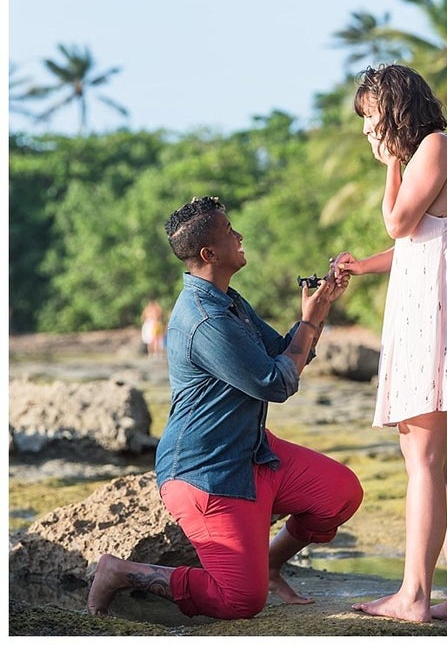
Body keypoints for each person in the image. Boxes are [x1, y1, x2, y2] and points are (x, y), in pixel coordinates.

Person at [87, 195, 363, 621]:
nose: (240, 236)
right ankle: (120, 573)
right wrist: (308, 323)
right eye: (230, 231)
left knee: (341, 493)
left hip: (253, 454)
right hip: (207, 473)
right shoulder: (203, 318)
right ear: (208, 253)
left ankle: (268, 563)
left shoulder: (228, 301)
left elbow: (283, 352)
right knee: (241, 601)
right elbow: (275, 382)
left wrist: (319, 309)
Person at [331, 64, 447, 631]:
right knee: (441, 469)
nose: (370, 129)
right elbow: (420, 246)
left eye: (373, 116)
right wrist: (362, 266)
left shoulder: (431, 148)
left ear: (396, 106)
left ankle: (414, 596)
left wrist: (390, 163)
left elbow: (399, 223)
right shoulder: (439, 150)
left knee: (423, 465)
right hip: (439, 325)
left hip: (436, 330)